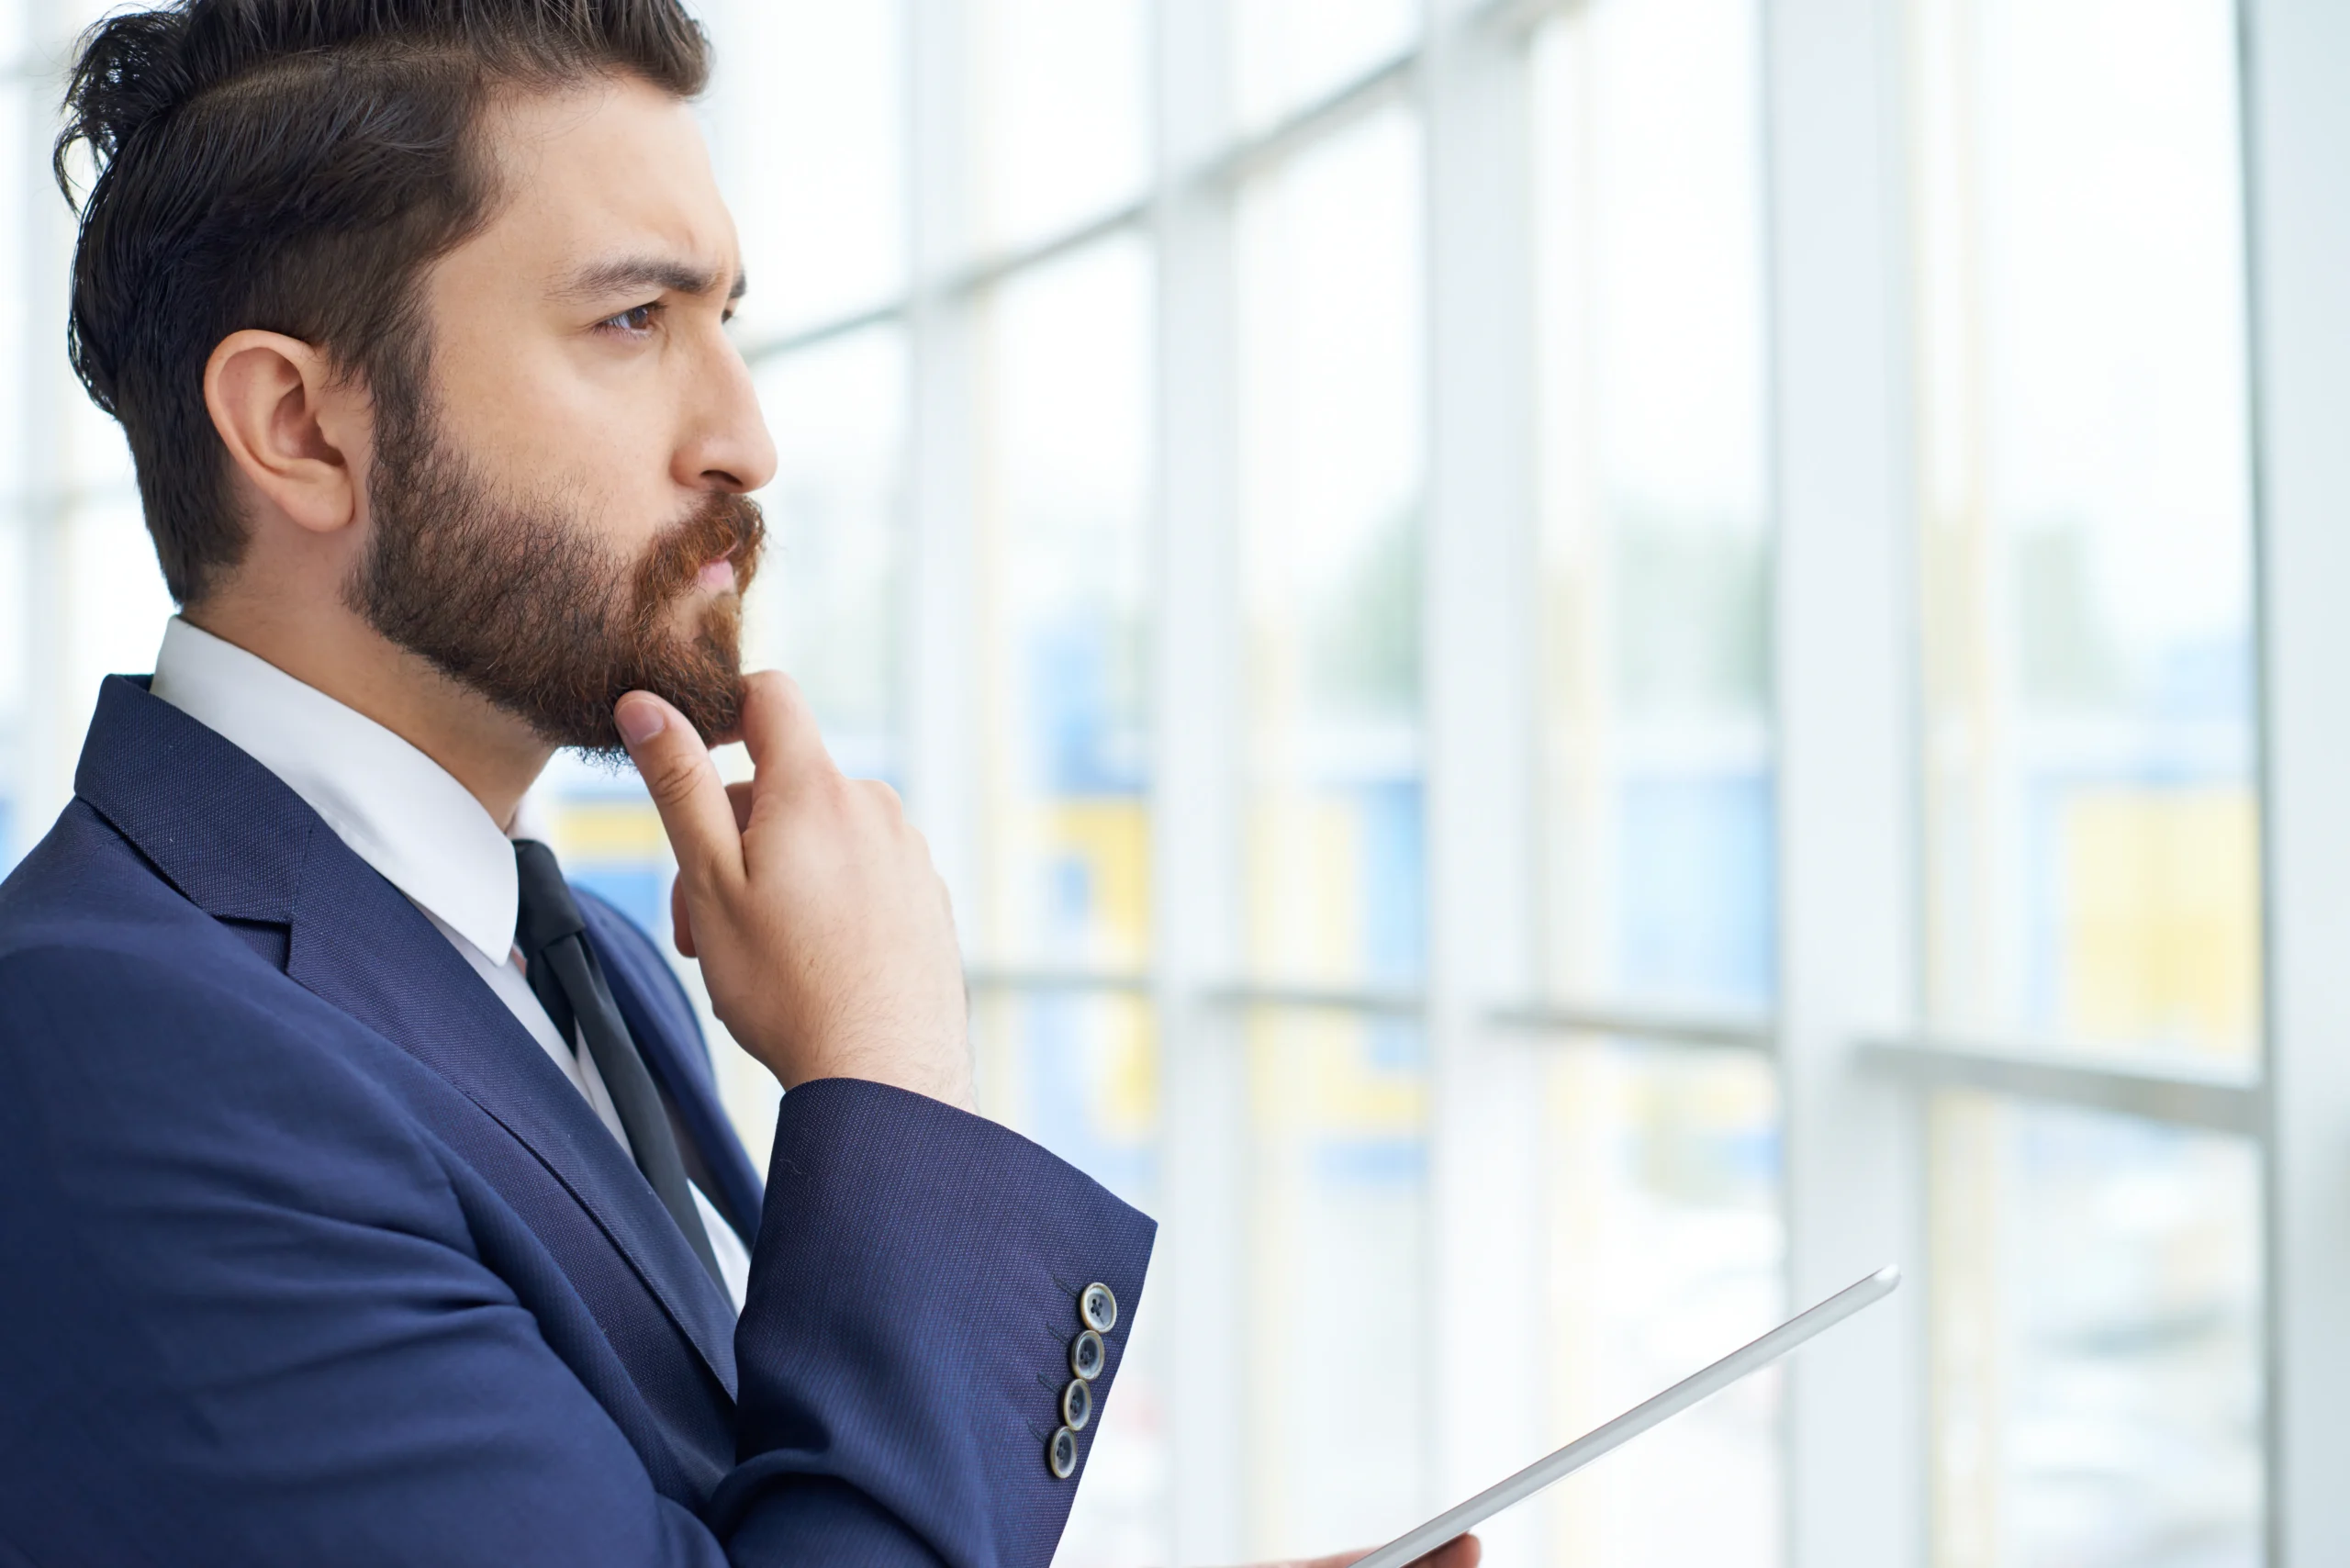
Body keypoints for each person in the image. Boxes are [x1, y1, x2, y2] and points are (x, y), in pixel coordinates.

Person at [0, 3, 1486, 1565]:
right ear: (300, 426)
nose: (747, 438)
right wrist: (888, 1066)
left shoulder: (588, 966)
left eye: (726, 321)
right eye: (634, 321)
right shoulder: (107, 1049)